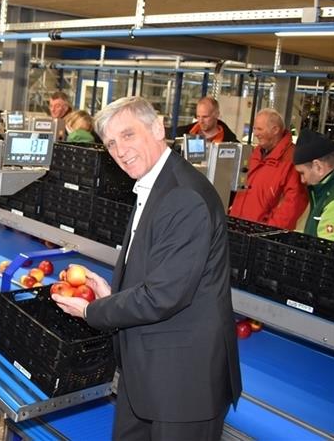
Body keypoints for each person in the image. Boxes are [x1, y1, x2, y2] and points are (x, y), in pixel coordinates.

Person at [53, 96, 241, 440]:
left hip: (182, 384)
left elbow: (164, 295)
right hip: (146, 373)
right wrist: (113, 293)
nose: (120, 150)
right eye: (111, 143)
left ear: (157, 129)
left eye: (128, 135)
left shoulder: (184, 196)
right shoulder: (154, 186)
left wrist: (94, 309)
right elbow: (156, 271)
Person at [229, 108, 307, 230]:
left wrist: (269, 231)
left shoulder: (291, 160)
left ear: (275, 130)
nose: (255, 133)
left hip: (261, 237)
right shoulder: (255, 154)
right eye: (254, 128)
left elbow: (294, 203)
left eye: (259, 129)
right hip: (239, 228)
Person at [293, 128, 334, 240]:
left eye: (302, 173)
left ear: (318, 166)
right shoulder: (322, 191)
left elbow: (326, 251)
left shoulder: (333, 202)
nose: (302, 180)